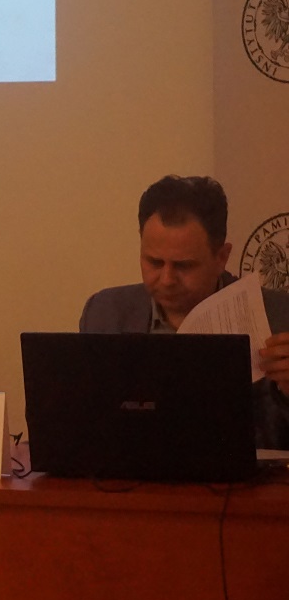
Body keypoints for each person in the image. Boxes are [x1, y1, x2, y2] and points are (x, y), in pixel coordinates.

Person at [79, 175, 289, 448]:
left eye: (184, 266)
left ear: (221, 257)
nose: (167, 279)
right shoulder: (105, 312)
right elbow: (88, 423)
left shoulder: (279, 316)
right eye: (154, 262)